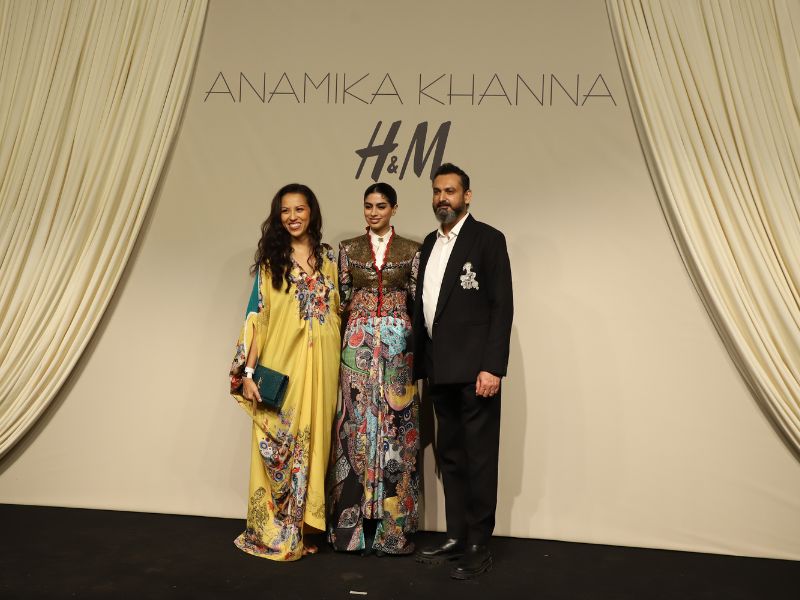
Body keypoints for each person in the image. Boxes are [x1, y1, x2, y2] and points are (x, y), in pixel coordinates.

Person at [229, 183, 341, 561]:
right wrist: (247, 373)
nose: (293, 217)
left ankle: (304, 528)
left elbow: (341, 311)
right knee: (282, 447)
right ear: (279, 217)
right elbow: (256, 320)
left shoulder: (329, 261)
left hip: (323, 370)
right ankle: (278, 531)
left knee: (317, 445)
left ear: (312, 213)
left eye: (300, 209)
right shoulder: (271, 265)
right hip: (284, 368)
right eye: (286, 211)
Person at [412, 163, 513, 579]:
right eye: (437, 191)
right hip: (440, 369)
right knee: (450, 456)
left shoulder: (488, 240)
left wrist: (492, 367)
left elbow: (501, 307)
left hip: (476, 373)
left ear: (467, 196)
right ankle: (455, 536)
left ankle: (477, 543)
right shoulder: (428, 244)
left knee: (479, 458)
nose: (443, 198)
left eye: (450, 191)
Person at [327, 182, 421, 556]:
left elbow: (418, 303)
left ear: (394, 208)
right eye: (368, 205)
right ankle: (349, 532)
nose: (373, 212)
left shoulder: (412, 250)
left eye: (381, 206)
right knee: (354, 426)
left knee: (397, 430)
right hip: (357, 348)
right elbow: (341, 299)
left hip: (398, 350)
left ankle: (393, 533)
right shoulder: (348, 249)